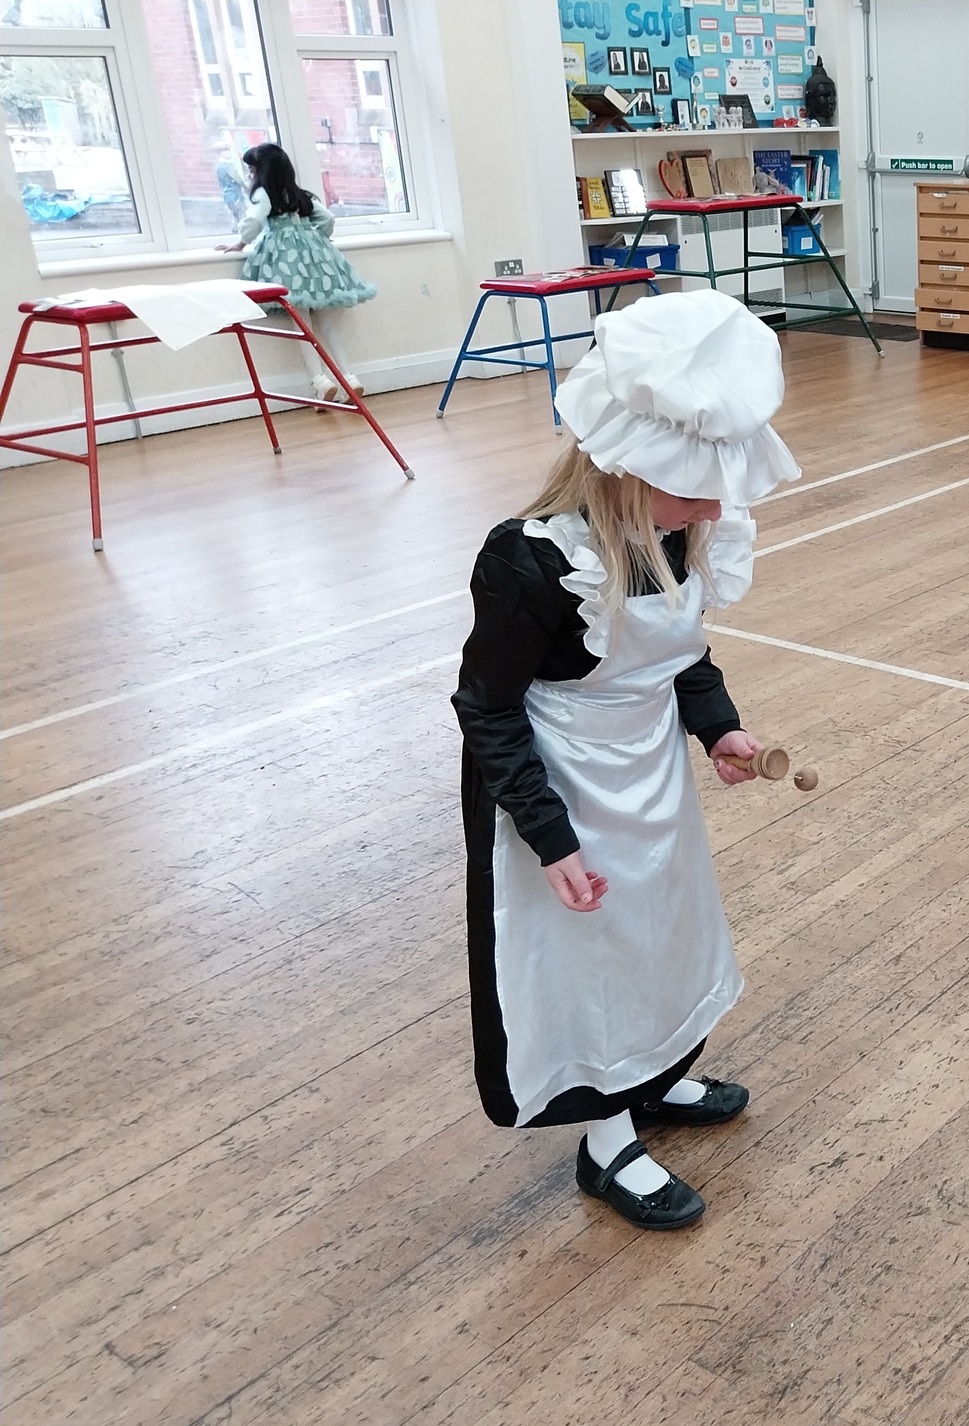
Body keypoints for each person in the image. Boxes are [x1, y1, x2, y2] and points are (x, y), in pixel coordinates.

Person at [451, 290, 800, 1230]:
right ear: (625, 470)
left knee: (662, 932)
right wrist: (550, 838)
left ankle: (655, 1077)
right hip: (564, 787)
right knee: (593, 960)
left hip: (650, 779)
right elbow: (486, 709)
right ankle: (607, 1142)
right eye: (695, 486)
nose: (716, 507)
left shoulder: (674, 534)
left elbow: (679, 655)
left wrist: (719, 730)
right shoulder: (529, 564)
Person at [215, 143, 376, 403]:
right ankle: (349, 377)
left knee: (301, 323)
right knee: (328, 322)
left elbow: (254, 220)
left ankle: (320, 380)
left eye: (252, 170)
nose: (250, 175)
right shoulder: (300, 194)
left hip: (286, 262)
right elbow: (327, 219)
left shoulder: (264, 194)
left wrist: (241, 243)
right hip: (316, 257)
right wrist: (316, 238)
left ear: (262, 172)